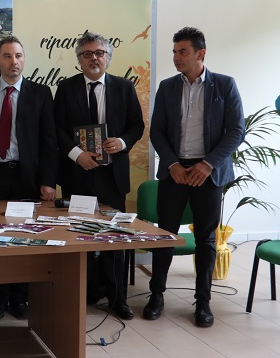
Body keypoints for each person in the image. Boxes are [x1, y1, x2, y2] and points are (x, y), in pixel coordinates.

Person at [145, 26, 244, 327]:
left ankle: (203, 303)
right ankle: (156, 295)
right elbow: (157, 131)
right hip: (174, 171)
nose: (177, 57)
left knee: (205, 239)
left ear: (201, 53)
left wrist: (208, 164)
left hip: (208, 173)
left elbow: (236, 131)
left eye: (183, 52)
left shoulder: (224, 85)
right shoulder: (167, 87)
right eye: (174, 52)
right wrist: (172, 164)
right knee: (164, 236)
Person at [54, 31, 144, 320]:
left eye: (99, 53)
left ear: (108, 57)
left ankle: (117, 298)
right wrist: (76, 154)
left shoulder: (124, 87)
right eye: (88, 54)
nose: (94, 58)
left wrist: (123, 142)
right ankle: (83, 292)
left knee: (113, 239)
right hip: (78, 174)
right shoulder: (65, 88)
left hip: (112, 176)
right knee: (78, 236)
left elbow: (137, 125)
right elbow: (57, 128)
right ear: (79, 59)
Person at [0, 36, 57, 321]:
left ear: (24, 60)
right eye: (7, 56)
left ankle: (20, 297)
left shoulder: (41, 93)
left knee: (23, 236)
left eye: (18, 56)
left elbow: (49, 141)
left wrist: (48, 180)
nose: (13, 62)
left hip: (26, 176)